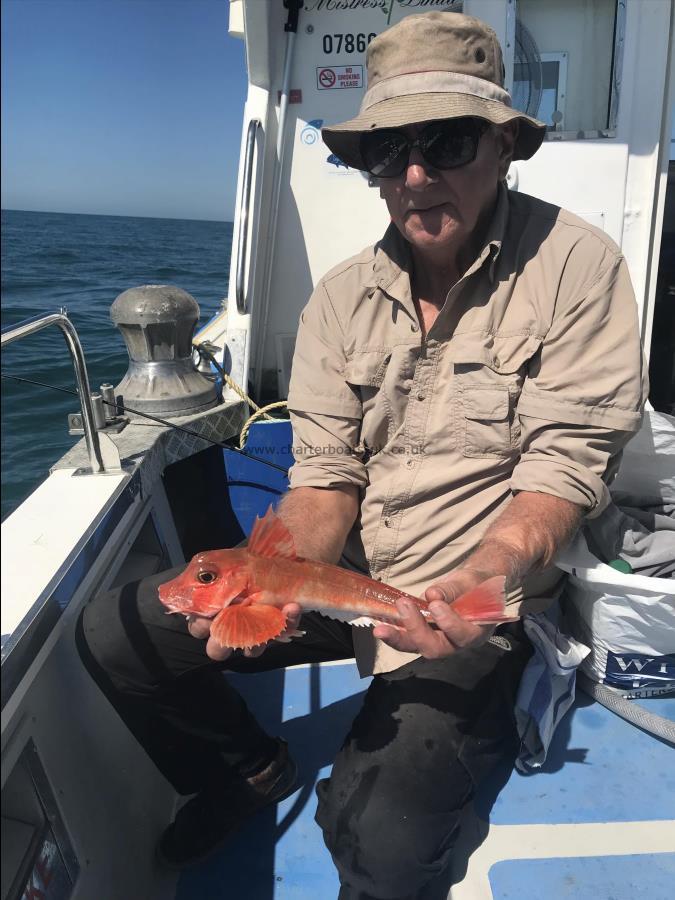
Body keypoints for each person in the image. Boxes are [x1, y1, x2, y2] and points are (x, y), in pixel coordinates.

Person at [77, 11, 647, 900]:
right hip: (337, 581)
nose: (415, 174)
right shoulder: (338, 302)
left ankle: (466, 724)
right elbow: (326, 475)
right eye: (388, 151)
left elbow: (561, 470)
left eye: (447, 140)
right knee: (116, 636)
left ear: (503, 144)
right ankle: (246, 771)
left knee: (372, 835)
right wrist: (287, 567)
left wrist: (480, 579)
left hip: (458, 605)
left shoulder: (576, 268)